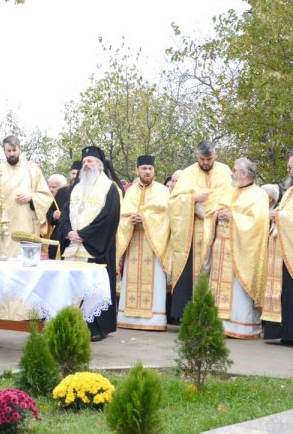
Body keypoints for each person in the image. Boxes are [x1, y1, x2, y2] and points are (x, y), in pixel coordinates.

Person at [57, 145, 122, 341]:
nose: (86, 164)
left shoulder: (110, 188)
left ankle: (97, 328)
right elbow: (65, 214)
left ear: (100, 166)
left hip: (95, 248)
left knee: (94, 288)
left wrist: (85, 234)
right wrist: (69, 231)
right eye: (84, 161)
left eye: (90, 161)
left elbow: (109, 219)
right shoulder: (76, 188)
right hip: (74, 247)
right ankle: (73, 323)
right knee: (74, 287)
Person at [167, 140, 233, 322]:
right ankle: (187, 315)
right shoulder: (188, 173)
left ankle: (213, 315)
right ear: (197, 156)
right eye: (202, 159)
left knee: (215, 271)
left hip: (218, 229)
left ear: (215, 156)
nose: (205, 163)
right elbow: (173, 202)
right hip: (194, 230)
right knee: (192, 270)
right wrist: (192, 198)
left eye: (209, 159)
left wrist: (224, 212)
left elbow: (232, 196)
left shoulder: (225, 171)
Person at [205, 158, 271, 339]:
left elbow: (258, 222)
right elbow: (213, 210)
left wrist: (233, 216)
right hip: (221, 248)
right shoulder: (230, 191)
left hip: (241, 250)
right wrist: (218, 214)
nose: (231, 173)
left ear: (245, 174)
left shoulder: (259, 194)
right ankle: (218, 324)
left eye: (234, 170)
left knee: (237, 291)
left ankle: (241, 326)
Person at [0, 136, 52, 318]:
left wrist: (31, 197)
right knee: (7, 269)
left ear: (20, 149)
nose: (11, 154)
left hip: (26, 227)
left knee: (26, 268)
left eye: (14, 150)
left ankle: (27, 312)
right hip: (5, 231)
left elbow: (46, 196)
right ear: (4, 151)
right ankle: (7, 312)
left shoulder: (33, 170)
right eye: (8, 151)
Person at [115, 155, 170, 331]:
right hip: (133, 240)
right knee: (130, 279)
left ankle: (154, 320)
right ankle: (127, 317)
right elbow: (122, 216)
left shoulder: (163, 190)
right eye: (144, 168)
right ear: (137, 170)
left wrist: (145, 219)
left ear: (154, 171)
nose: (147, 171)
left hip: (153, 243)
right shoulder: (130, 191)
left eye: (150, 169)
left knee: (154, 280)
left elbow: (167, 217)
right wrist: (130, 220)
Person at [261, 152, 293, 345]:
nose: (288, 171)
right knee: (282, 290)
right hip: (282, 246)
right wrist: (277, 214)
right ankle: (282, 332)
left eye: (290, 167)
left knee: (292, 291)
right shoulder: (291, 190)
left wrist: (279, 216)